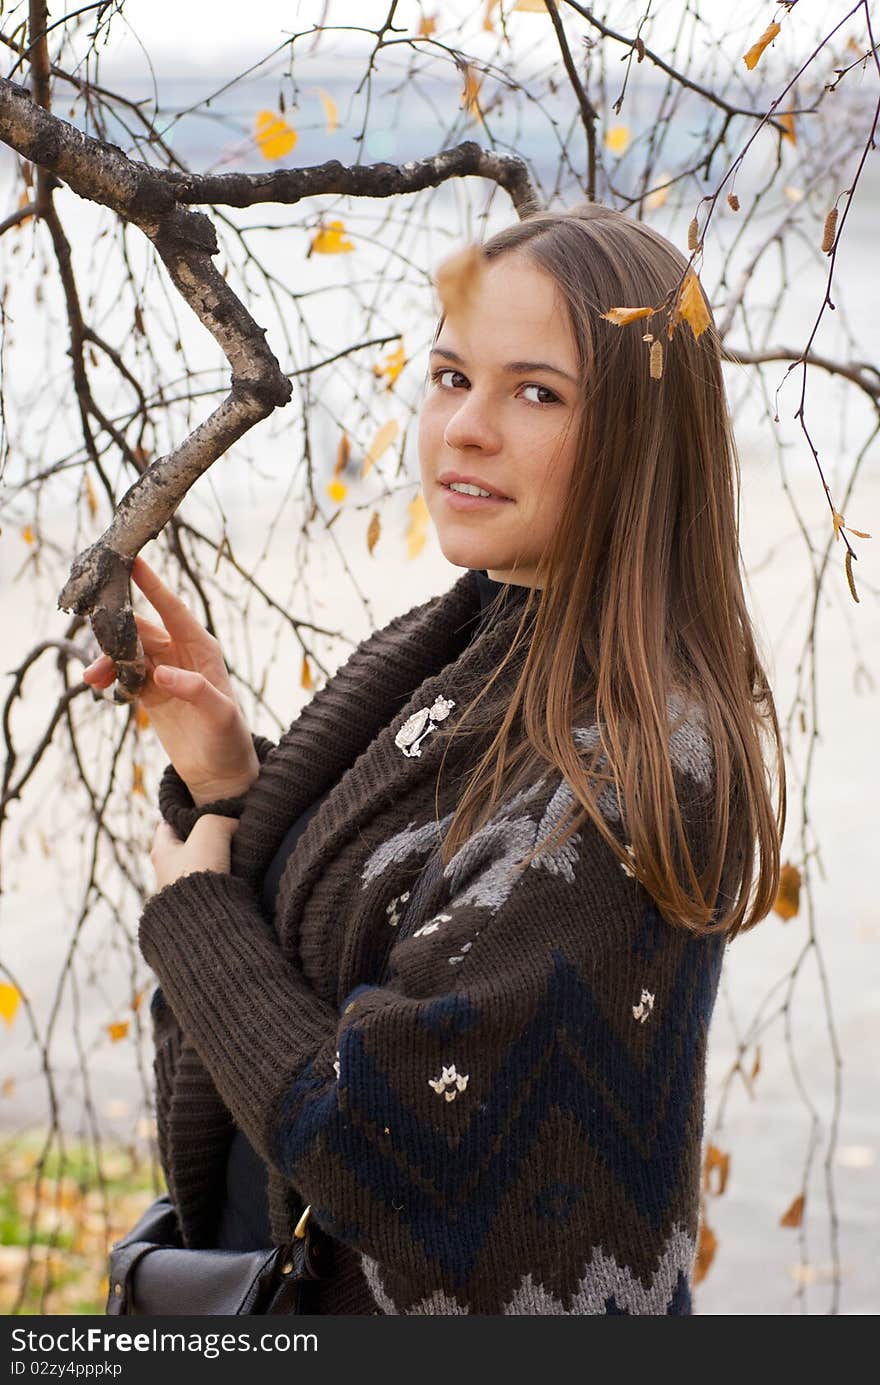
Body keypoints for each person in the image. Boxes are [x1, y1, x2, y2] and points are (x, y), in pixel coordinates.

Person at [84, 201, 785, 1315]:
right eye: (451, 376)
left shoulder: (639, 764)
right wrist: (234, 785)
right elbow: (391, 931)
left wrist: (197, 914)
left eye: (537, 392)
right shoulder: (468, 645)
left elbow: (380, 1141)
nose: (464, 427)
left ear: (641, 438)